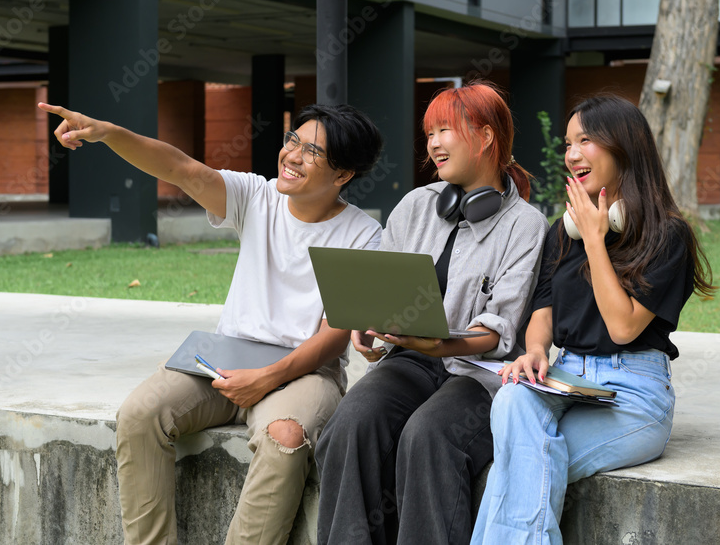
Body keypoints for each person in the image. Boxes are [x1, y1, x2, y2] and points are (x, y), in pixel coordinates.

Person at [40, 101, 384, 545]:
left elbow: (333, 337)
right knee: (140, 414)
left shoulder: (363, 235)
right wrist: (108, 133)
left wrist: (267, 379)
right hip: (227, 354)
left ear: (343, 175)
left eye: (313, 152)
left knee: (285, 438)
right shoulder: (256, 197)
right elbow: (181, 168)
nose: (293, 155)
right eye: (293, 140)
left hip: (304, 371)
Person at [471, 94, 715, 545]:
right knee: (511, 401)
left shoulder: (667, 234)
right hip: (564, 376)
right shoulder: (561, 233)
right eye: (568, 143)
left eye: (586, 140)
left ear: (624, 146)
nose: (572, 154)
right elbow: (542, 310)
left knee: (523, 463)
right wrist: (536, 351)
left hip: (634, 394)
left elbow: (623, 326)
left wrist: (596, 241)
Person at [314, 82, 549, 545]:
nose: (433, 144)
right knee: (350, 423)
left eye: (445, 130)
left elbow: (496, 332)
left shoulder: (526, 226)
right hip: (410, 361)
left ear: (485, 137)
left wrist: (440, 345)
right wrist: (365, 321)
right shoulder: (416, 206)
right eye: (429, 133)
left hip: (480, 375)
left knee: (428, 436)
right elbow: (380, 282)